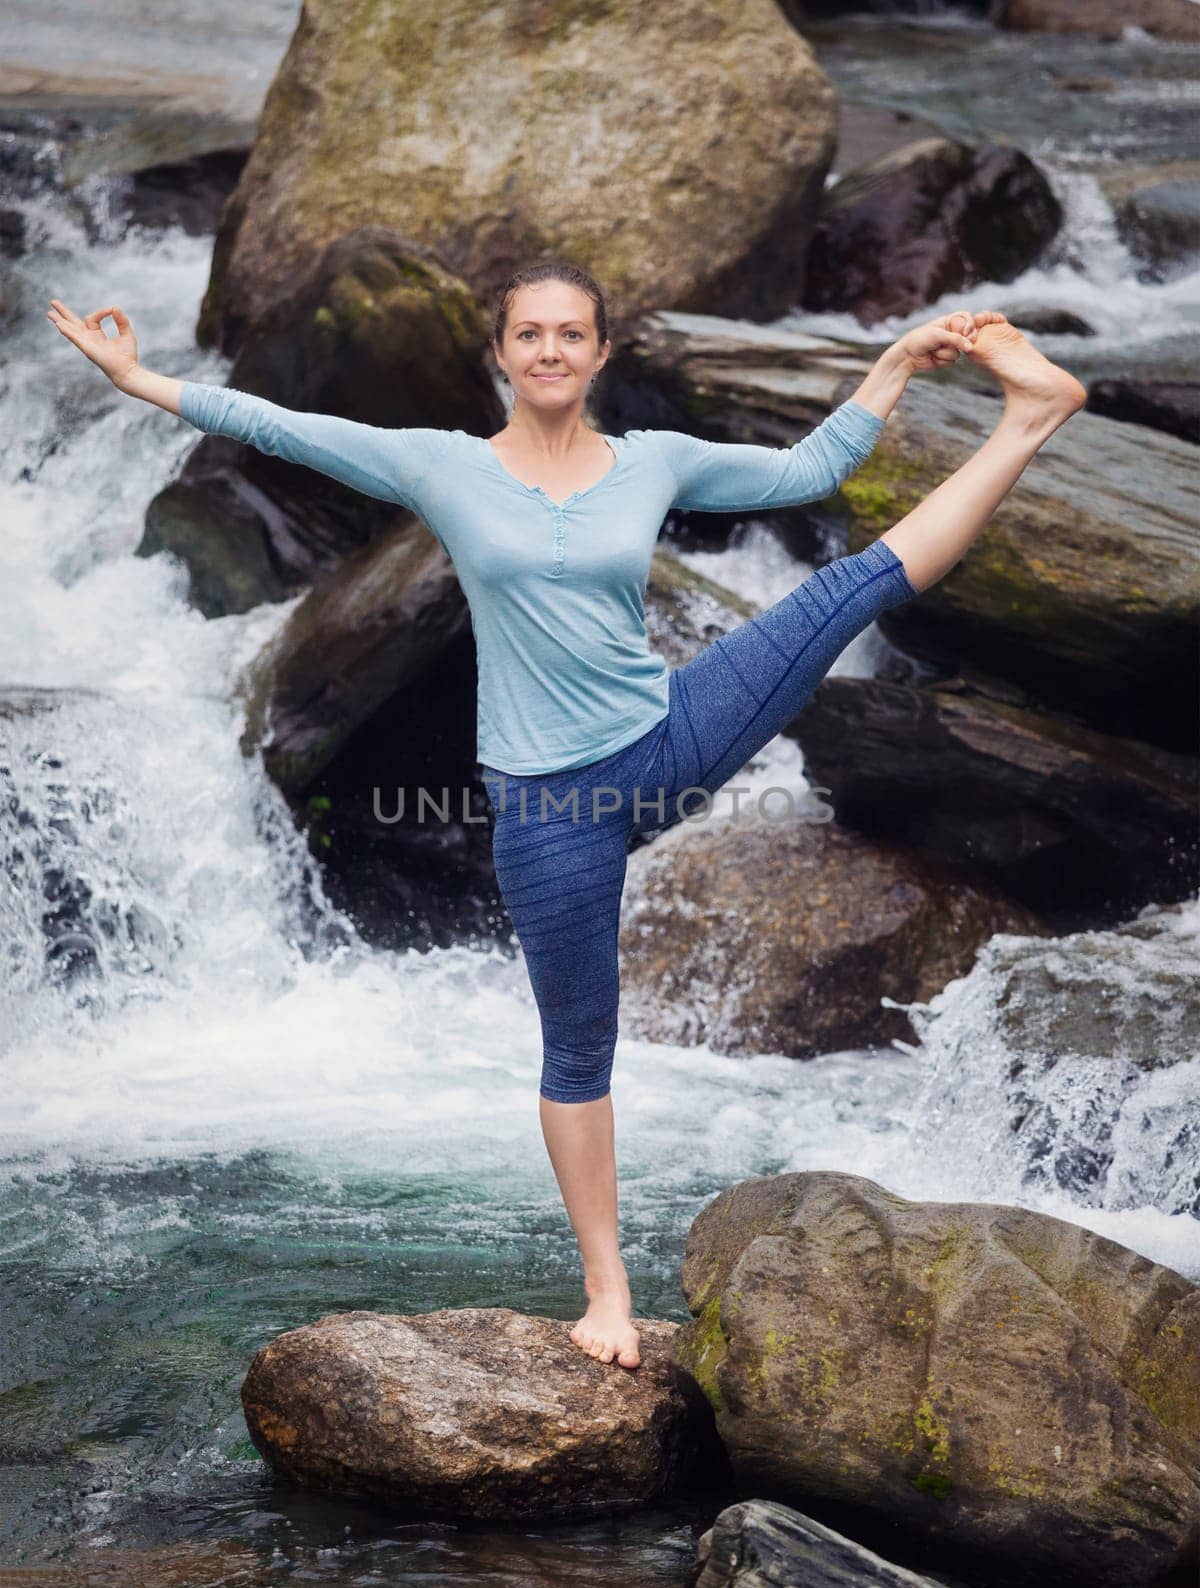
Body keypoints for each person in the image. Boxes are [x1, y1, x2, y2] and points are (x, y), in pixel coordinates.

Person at [47, 262, 1087, 1372]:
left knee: (843, 592)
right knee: (580, 1047)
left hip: (669, 736)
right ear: (501, 355)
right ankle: (607, 1294)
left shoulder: (651, 464)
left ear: (598, 356)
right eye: (530, 334)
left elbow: (811, 468)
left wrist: (889, 368)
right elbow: (283, 425)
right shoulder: (441, 465)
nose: (550, 350)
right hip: (552, 807)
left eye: (571, 334)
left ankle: (1032, 415)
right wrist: (140, 377)